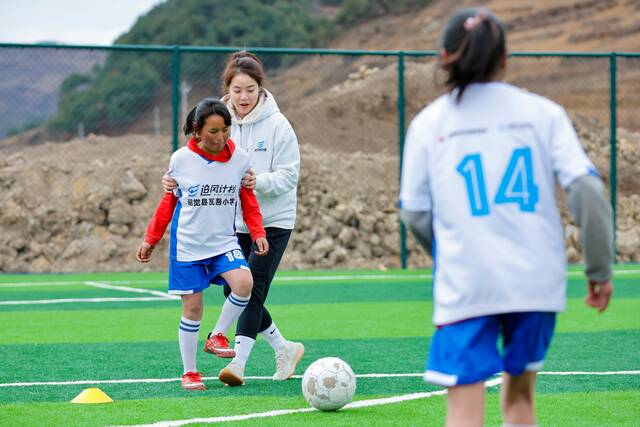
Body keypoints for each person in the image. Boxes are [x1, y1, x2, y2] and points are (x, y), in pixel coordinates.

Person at [399, 8, 613, 427]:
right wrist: (599, 268)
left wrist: (450, 258)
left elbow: (414, 213)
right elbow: (587, 189)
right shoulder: (542, 113)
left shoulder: (428, 124)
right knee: (519, 402)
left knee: (463, 411)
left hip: (468, 283)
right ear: (504, 58)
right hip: (535, 281)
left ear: (444, 57)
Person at [163, 51, 303, 387]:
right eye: (238, 90)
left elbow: (289, 175)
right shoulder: (219, 121)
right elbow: (194, 163)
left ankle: (237, 364)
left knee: (251, 290)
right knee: (234, 290)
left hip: (273, 222)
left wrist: (258, 181)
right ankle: (283, 347)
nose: (243, 97)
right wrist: (172, 181)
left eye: (250, 90)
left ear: (260, 89)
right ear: (228, 88)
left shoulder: (278, 125)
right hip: (231, 225)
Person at [137, 98, 269, 391]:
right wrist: (151, 238)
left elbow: (248, 199)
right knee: (193, 308)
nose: (220, 137)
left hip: (223, 242)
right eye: (213, 131)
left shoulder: (240, 159)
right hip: (188, 246)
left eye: (225, 130)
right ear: (197, 130)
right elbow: (167, 203)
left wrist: (257, 231)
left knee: (244, 282)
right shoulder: (180, 160)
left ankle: (217, 336)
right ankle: (190, 371)